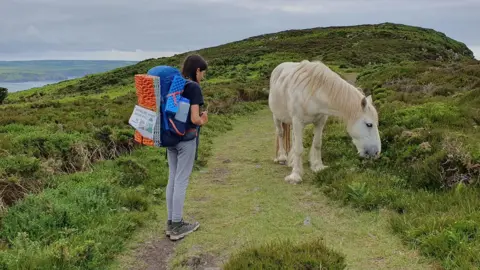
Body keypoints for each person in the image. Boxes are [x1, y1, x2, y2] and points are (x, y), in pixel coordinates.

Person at [165, 54, 209, 241]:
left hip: (171, 138)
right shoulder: (194, 88)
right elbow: (194, 119)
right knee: (181, 180)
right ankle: (177, 225)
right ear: (197, 70)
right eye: (203, 73)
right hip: (187, 140)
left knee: (173, 178)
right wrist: (203, 120)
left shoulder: (177, 84)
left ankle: (170, 223)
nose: (203, 77)